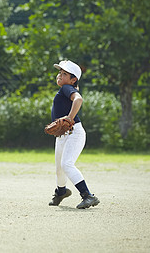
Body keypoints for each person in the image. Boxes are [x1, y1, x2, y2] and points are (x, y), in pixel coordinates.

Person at [48, 60, 99, 209]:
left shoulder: (67, 88)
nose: (59, 75)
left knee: (66, 164)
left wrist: (69, 118)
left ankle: (88, 196)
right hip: (63, 135)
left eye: (64, 74)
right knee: (59, 168)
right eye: (59, 72)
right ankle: (61, 192)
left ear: (73, 80)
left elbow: (79, 99)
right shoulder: (64, 89)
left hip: (74, 133)